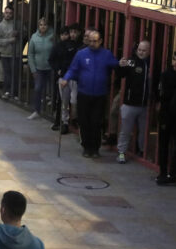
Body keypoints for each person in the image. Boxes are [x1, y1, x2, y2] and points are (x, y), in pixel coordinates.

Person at [60, 30, 123, 158]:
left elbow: (116, 65)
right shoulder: (81, 54)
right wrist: (66, 78)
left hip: (99, 94)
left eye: (95, 41)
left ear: (100, 41)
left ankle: (95, 147)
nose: (92, 43)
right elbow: (73, 68)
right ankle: (86, 146)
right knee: (84, 121)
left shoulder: (106, 54)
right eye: (90, 41)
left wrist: (121, 64)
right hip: (84, 92)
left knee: (96, 121)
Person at [115, 41, 151, 163]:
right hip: (130, 104)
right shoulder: (131, 62)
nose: (141, 52)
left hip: (144, 105)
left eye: (144, 50)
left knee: (143, 131)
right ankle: (121, 152)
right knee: (125, 130)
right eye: (139, 49)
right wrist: (120, 65)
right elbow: (121, 74)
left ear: (149, 51)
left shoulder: (151, 65)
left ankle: (142, 151)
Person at [156, 51, 176, 181]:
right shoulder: (167, 75)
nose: (175, 63)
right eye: (174, 59)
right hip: (167, 115)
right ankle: (163, 172)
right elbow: (163, 95)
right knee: (164, 144)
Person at [48, 24, 81, 133]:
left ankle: (73, 119)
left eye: (73, 32)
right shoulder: (60, 46)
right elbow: (52, 59)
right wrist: (58, 70)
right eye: (68, 33)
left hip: (75, 78)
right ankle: (64, 122)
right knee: (64, 101)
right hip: (63, 76)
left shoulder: (79, 46)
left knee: (74, 100)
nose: (70, 35)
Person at [27, 19, 54, 120]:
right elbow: (30, 54)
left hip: (51, 68)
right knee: (38, 89)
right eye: (41, 25)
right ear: (38, 26)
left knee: (53, 90)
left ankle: (53, 111)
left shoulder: (52, 37)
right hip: (39, 68)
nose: (43, 27)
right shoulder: (34, 37)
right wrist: (33, 69)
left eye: (45, 25)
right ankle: (36, 110)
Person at [0, 4, 20, 99]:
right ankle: (7, 91)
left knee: (15, 74)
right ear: (3, 13)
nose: (8, 15)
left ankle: (14, 92)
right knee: (7, 73)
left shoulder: (17, 24)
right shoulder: (0, 26)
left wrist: (19, 33)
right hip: (5, 53)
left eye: (10, 13)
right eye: (6, 13)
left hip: (15, 53)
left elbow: (25, 32)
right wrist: (9, 40)